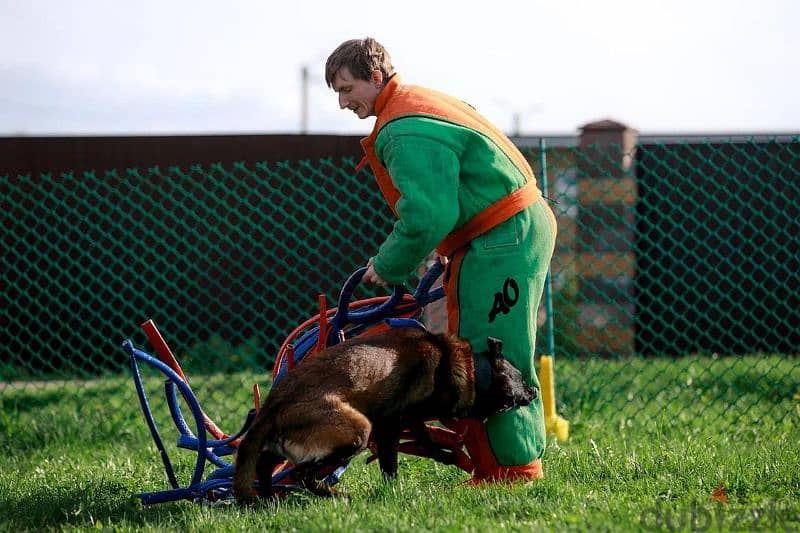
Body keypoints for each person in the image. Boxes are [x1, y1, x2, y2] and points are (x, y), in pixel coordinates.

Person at [325, 37, 557, 483]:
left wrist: (387, 264)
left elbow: (429, 214)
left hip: (502, 235)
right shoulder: (419, 104)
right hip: (508, 229)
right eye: (337, 92)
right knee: (486, 347)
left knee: (490, 354)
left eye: (347, 88)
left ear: (376, 76)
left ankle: (511, 469)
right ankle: (499, 460)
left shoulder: (403, 127)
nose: (342, 102)